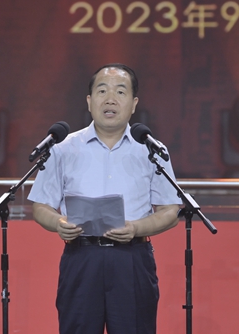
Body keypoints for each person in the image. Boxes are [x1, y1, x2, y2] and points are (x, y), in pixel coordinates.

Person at [28, 63, 182, 334]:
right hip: (81, 257)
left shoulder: (151, 151)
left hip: (132, 259)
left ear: (134, 104)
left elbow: (170, 211)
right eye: (102, 91)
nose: (110, 99)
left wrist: (135, 228)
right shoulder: (63, 148)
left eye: (120, 92)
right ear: (89, 101)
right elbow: (41, 206)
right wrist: (59, 223)